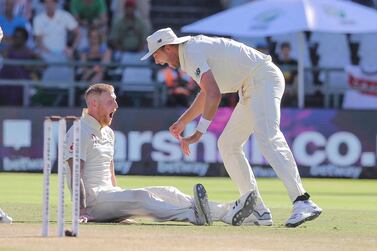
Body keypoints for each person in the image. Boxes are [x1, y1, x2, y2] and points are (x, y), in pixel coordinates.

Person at [141, 28, 322, 228]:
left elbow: (213, 94)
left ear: (167, 47)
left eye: (156, 55)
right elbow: (206, 92)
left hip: (263, 79)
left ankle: (302, 200)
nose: (157, 61)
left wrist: (199, 132)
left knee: (267, 137)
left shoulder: (191, 52)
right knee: (228, 144)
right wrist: (184, 120)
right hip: (250, 86)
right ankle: (257, 209)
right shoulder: (189, 53)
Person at [64, 83, 256, 225]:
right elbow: (75, 174)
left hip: (109, 197)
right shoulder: (79, 131)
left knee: (168, 191)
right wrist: (82, 209)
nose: (116, 105)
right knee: (142, 197)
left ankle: (227, 211)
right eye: (110, 102)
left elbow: (110, 170)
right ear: (94, 104)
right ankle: (192, 215)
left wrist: (120, 203)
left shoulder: (108, 132)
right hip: (92, 202)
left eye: (115, 100)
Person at [277, 42, 298, 107]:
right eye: (284, 50)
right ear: (281, 51)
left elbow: (296, 77)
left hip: (291, 88)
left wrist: (293, 88)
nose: (286, 52)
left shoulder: (294, 63)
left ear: (290, 50)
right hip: (280, 87)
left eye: (287, 50)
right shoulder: (278, 62)